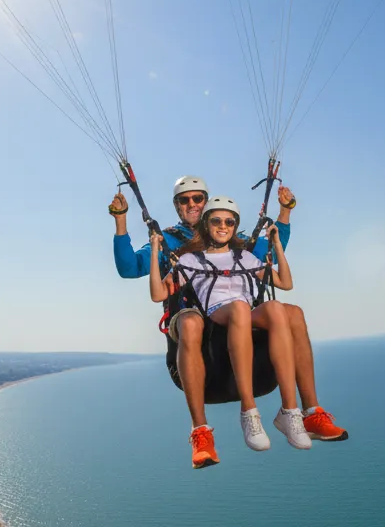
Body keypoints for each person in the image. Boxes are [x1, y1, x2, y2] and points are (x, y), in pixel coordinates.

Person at [110, 176, 347, 468]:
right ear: (176, 205)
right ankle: (201, 433)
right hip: (192, 311)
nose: (192, 205)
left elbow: (266, 253)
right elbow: (129, 267)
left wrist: (284, 214)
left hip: (238, 312)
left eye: (198, 199)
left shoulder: (233, 242)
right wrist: (122, 222)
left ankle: (308, 411)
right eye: (185, 200)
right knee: (195, 323)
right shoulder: (170, 240)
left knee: (292, 312)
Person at [152, 196, 313, 453]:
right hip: (217, 314)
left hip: (244, 316)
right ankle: (249, 413)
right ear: (206, 225)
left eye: (229, 221)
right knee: (239, 306)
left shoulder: (245, 258)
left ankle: (291, 411)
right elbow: (159, 294)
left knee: (277, 308)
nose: (223, 225)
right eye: (216, 220)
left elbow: (285, 283)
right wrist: (154, 251)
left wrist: (277, 245)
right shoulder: (191, 261)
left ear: (235, 226)